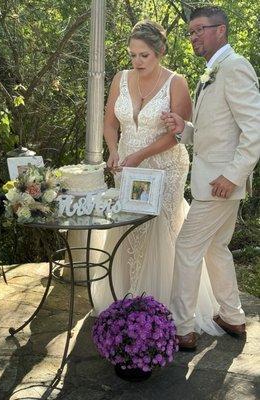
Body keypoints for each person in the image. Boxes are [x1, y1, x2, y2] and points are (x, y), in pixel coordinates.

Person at [91, 19, 224, 338]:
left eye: (144, 56)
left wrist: (142, 154)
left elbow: (179, 134)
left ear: (160, 52)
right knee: (129, 228)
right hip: (126, 166)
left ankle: (165, 308)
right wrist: (113, 151)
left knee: (159, 228)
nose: (136, 62)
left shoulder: (176, 82)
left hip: (164, 166)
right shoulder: (120, 79)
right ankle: (126, 301)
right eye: (132, 55)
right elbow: (110, 123)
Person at [162, 6, 260, 350]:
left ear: (221, 30)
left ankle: (181, 328)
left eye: (200, 30)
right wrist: (184, 129)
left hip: (219, 183)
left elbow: (255, 130)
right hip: (214, 179)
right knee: (216, 248)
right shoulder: (213, 70)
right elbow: (217, 131)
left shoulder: (234, 67)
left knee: (187, 248)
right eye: (190, 32)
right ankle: (232, 317)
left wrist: (233, 176)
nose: (194, 37)